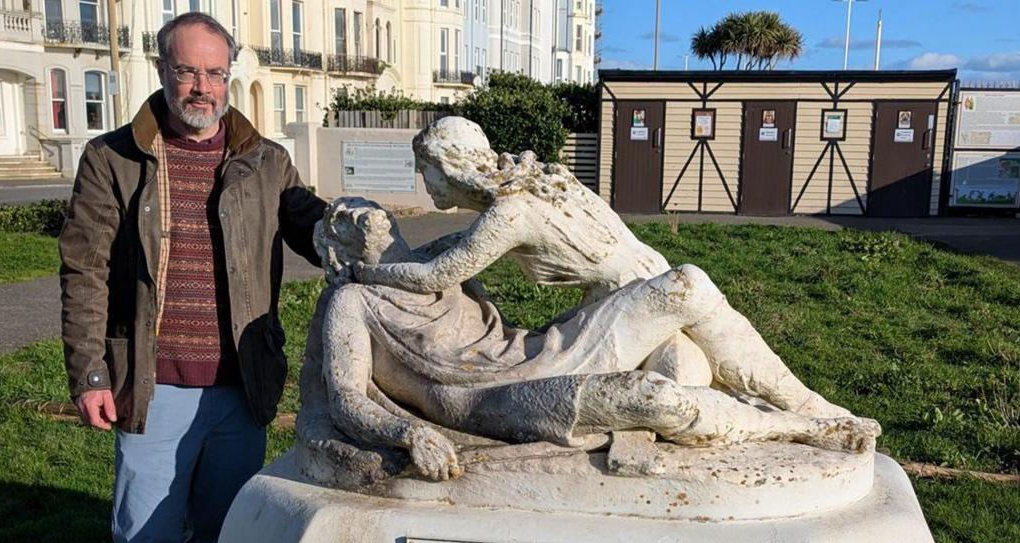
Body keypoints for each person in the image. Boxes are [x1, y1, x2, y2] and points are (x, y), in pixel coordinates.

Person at [57, 12, 326, 543]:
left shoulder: (266, 161)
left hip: (239, 391)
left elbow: (311, 223)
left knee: (219, 541)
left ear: (228, 75)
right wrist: (91, 372)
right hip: (154, 389)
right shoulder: (111, 159)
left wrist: (356, 229)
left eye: (214, 71)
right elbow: (84, 267)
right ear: (162, 72)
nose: (201, 87)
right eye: (187, 71)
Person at [305, 198, 879, 482]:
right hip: (488, 402)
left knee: (686, 285)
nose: (360, 213)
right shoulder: (351, 302)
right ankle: (805, 430)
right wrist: (409, 433)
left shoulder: (439, 261)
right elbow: (346, 400)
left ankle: (808, 404)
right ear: (335, 252)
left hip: (539, 352)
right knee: (652, 398)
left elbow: (521, 219)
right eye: (341, 217)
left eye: (362, 207)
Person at [354, 117, 852, 419]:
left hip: (637, 300)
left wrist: (368, 274)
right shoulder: (538, 181)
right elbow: (459, 248)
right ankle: (803, 407)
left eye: (427, 171)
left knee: (692, 291)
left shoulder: (511, 213)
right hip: (633, 295)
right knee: (687, 375)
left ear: (451, 167)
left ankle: (806, 405)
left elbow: (439, 274)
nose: (425, 183)